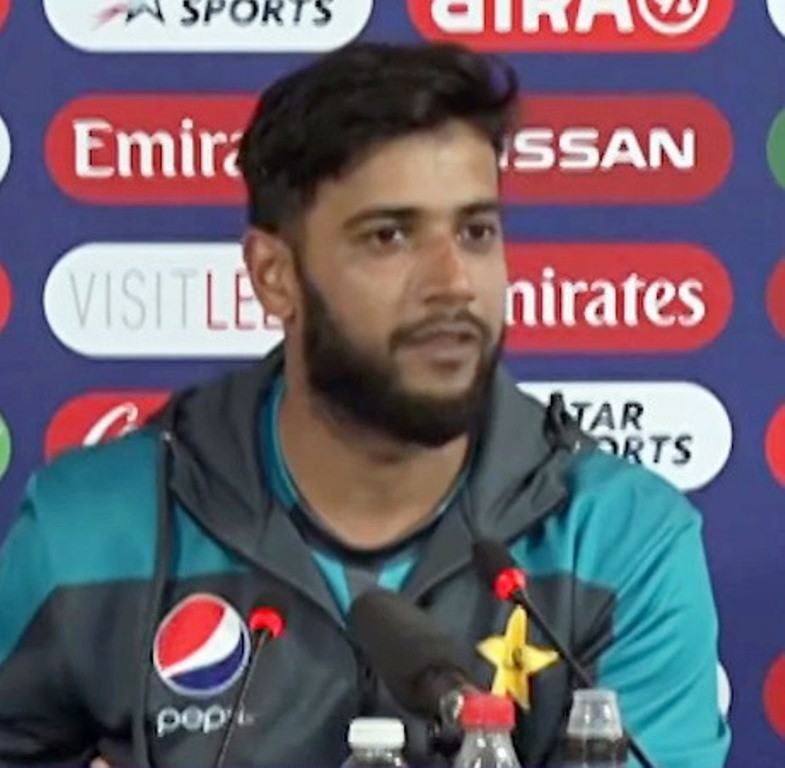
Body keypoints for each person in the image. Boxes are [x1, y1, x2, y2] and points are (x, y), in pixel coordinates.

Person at [0, 41, 729, 768]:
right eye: (390, 236)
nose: (453, 283)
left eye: (476, 232)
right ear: (274, 276)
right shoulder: (92, 528)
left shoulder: (620, 539)